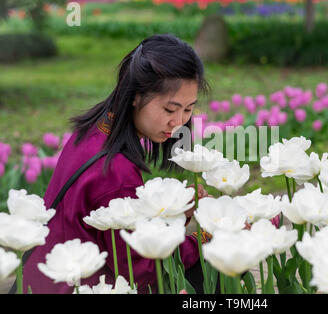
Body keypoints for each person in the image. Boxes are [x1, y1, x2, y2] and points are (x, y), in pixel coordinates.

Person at [22, 34, 213, 294]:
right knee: (221, 260)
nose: (178, 122)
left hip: (45, 280)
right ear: (135, 95)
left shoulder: (95, 129)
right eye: (170, 110)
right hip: (83, 286)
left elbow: (120, 241)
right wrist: (203, 239)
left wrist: (176, 213)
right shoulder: (116, 170)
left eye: (188, 109)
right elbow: (141, 270)